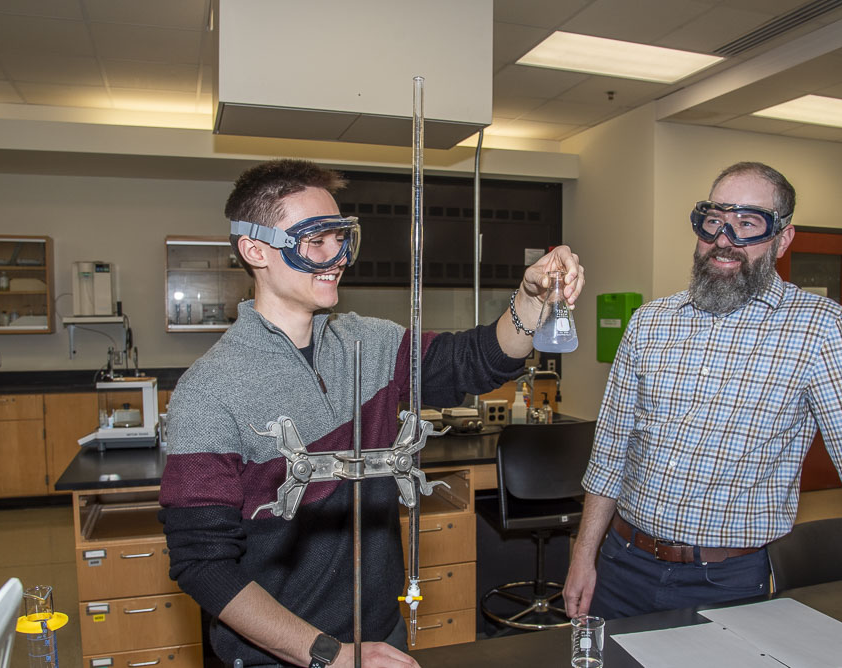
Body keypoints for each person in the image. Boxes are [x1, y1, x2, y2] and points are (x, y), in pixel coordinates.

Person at [159, 159, 584, 668]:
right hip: (282, 655)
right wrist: (328, 654)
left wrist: (531, 301)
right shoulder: (209, 389)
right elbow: (203, 564)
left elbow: (475, 360)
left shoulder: (371, 342)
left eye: (341, 239)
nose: (337, 257)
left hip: (379, 638)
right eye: (316, 241)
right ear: (256, 250)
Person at [563, 161, 842, 622]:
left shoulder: (819, 329)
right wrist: (583, 557)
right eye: (714, 220)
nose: (724, 238)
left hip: (725, 581)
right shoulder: (650, 322)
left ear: (783, 239)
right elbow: (610, 454)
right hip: (621, 563)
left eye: (748, 223)